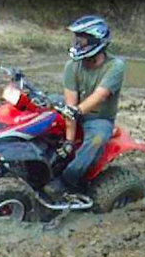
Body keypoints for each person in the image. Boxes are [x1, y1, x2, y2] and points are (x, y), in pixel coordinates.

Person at [43, 15, 126, 200]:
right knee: (43, 104)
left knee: (98, 138)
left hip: (99, 118)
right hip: (75, 111)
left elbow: (100, 95)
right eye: (77, 37)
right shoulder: (72, 65)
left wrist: (76, 111)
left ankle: (67, 181)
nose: (78, 42)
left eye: (82, 38)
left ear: (97, 41)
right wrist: (69, 143)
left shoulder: (115, 66)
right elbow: (70, 101)